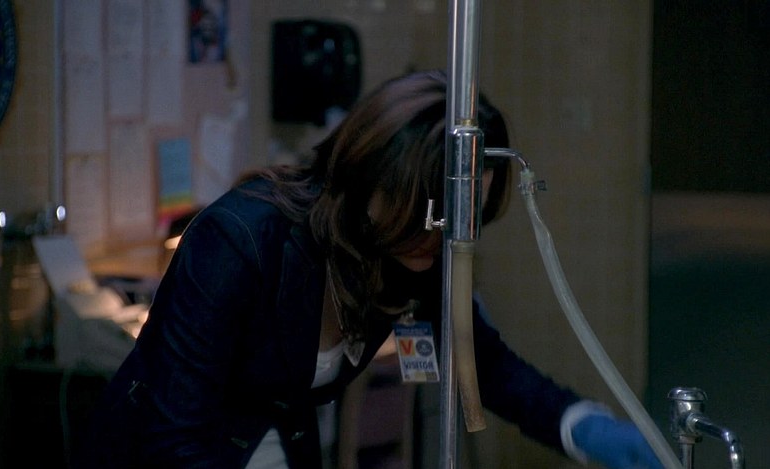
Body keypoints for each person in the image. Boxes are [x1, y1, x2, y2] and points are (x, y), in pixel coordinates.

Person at [77, 70, 663, 468]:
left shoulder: (407, 257)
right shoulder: (239, 242)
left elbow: (481, 363)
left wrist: (579, 424)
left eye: (465, 219)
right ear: (371, 178)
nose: (442, 238)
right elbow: (174, 436)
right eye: (429, 214)